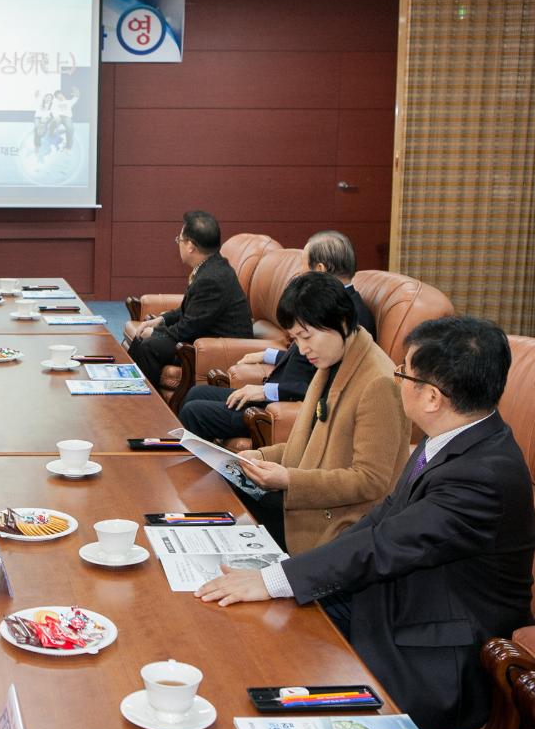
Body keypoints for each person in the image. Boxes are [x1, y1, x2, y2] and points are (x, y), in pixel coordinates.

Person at [195, 316, 535, 729]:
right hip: (393, 599)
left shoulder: (483, 475)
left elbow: (385, 543)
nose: (396, 381)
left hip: (437, 652)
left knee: (274, 660)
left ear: (431, 396)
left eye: (404, 372)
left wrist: (274, 579)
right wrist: (290, 570)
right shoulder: (453, 437)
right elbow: (384, 517)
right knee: (254, 622)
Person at [222, 272, 409, 552]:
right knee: (232, 483)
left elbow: (371, 481)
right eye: (296, 338)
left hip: (343, 522)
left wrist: (289, 480)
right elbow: (310, 444)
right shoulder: (332, 362)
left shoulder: (379, 382)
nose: (302, 348)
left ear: (342, 322)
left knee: (237, 515)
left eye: (306, 336)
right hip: (313, 499)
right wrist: (258, 457)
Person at [178, 230, 376, 442]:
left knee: (194, 411)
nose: (299, 275)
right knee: (196, 394)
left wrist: (266, 392)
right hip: (276, 394)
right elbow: (308, 355)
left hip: (283, 405)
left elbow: (330, 382)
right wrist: (269, 355)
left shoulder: (348, 315)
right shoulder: (326, 302)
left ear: (320, 269)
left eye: (302, 266)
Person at [129, 211, 253, 386]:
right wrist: (161, 320)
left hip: (217, 348)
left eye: (179, 240)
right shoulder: (211, 266)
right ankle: (125, 388)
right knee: (144, 339)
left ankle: (141, 401)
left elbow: (189, 328)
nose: (178, 244)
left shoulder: (212, 278)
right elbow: (190, 310)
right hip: (205, 336)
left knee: (149, 346)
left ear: (190, 246)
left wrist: (156, 333)